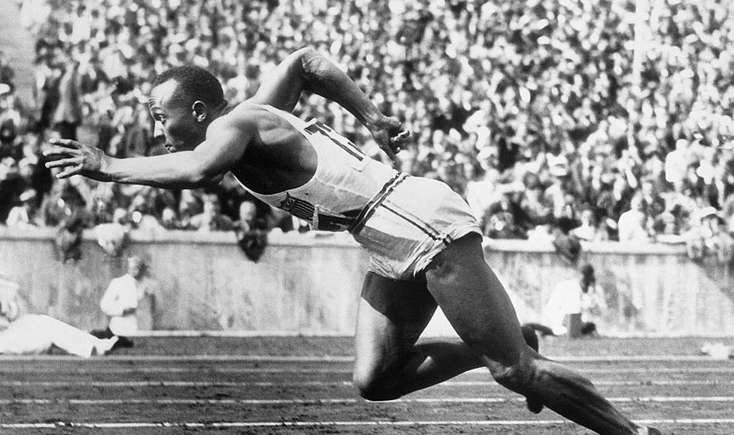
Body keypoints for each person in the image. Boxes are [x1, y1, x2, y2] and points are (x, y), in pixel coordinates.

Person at [45, 47, 659, 434]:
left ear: (201, 110)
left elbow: (198, 170)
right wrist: (371, 116)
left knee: (517, 372)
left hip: (416, 221)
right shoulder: (256, 113)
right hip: (384, 236)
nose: (156, 127)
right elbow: (307, 64)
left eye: (161, 115)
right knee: (376, 378)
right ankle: (494, 343)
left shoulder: (233, 125)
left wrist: (106, 164)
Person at [0, 239, 117, 357]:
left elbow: (14, 312)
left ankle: (95, 345)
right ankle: (95, 348)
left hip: (1, 332)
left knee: (40, 321)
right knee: (45, 334)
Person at [91, 255, 155, 349]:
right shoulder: (118, 283)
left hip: (143, 331)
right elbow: (104, 305)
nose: (135, 270)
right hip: (121, 329)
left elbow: (156, 308)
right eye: (132, 268)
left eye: (138, 268)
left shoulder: (149, 285)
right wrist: (122, 310)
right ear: (128, 268)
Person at [538, 263, 603, 338]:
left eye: (589, 280)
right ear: (580, 276)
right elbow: (554, 311)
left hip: (579, 326)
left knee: (589, 327)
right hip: (561, 323)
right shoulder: (568, 288)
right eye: (585, 280)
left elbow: (597, 312)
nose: (586, 284)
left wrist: (591, 294)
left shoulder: (594, 290)